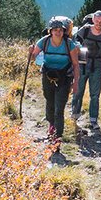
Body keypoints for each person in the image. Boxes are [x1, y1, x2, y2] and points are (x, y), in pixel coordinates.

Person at [29, 17, 80, 148]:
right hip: (48, 75)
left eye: (61, 30)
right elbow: (33, 57)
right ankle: (51, 125)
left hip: (64, 78)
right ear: (50, 31)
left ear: (64, 31)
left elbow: (75, 65)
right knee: (50, 102)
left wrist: (75, 83)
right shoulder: (44, 42)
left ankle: (57, 135)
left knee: (59, 107)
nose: (58, 33)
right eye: (55, 30)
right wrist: (30, 53)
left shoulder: (69, 45)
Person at [70, 10, 101, 131]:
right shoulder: (84, 30)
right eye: (97, 21)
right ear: (93, 20)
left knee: (95, 95)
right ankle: (74, 117)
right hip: (82, 65)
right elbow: (73, 45)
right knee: (78, 92)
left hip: (97, 67)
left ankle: (93, 120)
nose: (99, 23)